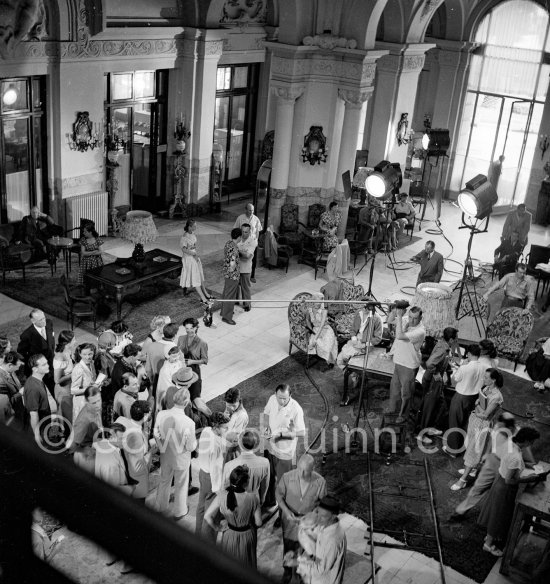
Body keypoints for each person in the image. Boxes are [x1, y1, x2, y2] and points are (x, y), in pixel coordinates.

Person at [478, 426, 542, 556]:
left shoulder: (510, 445)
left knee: (496, 512)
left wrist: (525, 465)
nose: (532, 444)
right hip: (505, 488)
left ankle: (489, 536)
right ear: (526, 440)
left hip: (499, 482)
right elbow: (509, 480)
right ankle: (488, 544)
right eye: (532, 441)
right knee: (499, 515)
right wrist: (528, 478)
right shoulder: (516, 457)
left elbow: (509, 463)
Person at [450, 412, 517, 521]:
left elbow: (525, 458)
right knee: (478, 488)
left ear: (510, 427)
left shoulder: (517, 437)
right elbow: (492, 439)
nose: (498, 428)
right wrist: (487, 453)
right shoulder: (498, 426)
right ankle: (461, 511)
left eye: (502, 427)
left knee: (499, 496)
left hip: (506, 467)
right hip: (492, 462)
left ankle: (493, 523)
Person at [276, 454, 327, 584]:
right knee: (288, 547)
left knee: (305, 550)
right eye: (300, 469)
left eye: (306, 470)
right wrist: (286, 511)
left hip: (308, 524)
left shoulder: (320, 482)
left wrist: (311, 516)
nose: (302, 473)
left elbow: (323, 504)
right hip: (289, 520)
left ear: (313, 469)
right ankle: (287, 572)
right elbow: (279, 495)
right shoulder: (287, 477)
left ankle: (302, 574)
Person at [451, 368, 504, 491]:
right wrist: (478, 406)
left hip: (482, 425)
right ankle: (473, 470)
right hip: (475, 421)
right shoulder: (487, 388)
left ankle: (462, 480)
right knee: (471, 446)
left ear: (494, 380)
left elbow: (485, 415)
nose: (483, 379)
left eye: (486, 378)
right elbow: (479, 403)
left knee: (473, 451)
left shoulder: (496, 396)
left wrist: (477, 407)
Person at [204, 465, 262, 568]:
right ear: (245, 483)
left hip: (229, 535)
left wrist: (217, 527)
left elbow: (207, 516)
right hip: (247, 536)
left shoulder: (221, 496)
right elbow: (259, 523)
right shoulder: (253, 498)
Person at [154, 387, 197, 520]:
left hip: (165, 455)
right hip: (181, 458)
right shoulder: (189, 422)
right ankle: (180, 511)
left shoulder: (161, 414)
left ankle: (160, 506)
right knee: (181, 484)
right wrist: (196, 444)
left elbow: (156, 434)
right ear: (186, 403)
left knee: (164, 480)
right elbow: (190, 447)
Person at [262, 384, 306, 509]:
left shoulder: (296, 409)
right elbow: (266, 413)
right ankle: (269, 501)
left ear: (290, 396)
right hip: (270, 447)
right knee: (268, 478)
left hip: (284, 453)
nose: (281, 401)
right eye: (279, 398)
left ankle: (283, 513)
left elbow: (302, 432)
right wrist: (266, 426)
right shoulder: (272, 399)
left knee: (284, 484)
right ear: (275, 394)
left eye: (284, 399)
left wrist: (281, 435)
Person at [290, 495, 347, 584]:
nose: (318, 519)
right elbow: (317, 539)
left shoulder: (333, 541)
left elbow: (321, 570)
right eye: (318, 513)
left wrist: (297, 563)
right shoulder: (327, 524)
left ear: (333, 516)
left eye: (323, 516)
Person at [417, 326, 460, 443]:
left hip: (437, 382)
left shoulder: (444, 345)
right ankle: (421, 434)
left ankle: (430, 428)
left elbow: (441, 360)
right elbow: (430, 363)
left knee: (441, 405)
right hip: (432, 381)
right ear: (451, 340)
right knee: (428, 407)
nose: (457, 340)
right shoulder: (443, 349)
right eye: (456, 338)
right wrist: (436, 373)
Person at [386, 306, 426, 423]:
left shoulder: (420, 331)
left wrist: (399, 317)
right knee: (395, 388)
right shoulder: (406, 320)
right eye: (410, 317)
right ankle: (393, 409)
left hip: (409, 365)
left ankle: (403, 415)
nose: (411, 320)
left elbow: (400, 336)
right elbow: (389, 320)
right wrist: (395, 310)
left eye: (415, 318)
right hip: (399, 361)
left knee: (406, 393)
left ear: (420, 318)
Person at [445, 344, 487, 454]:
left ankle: (453, 449)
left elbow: (455, 379)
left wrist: (458, 368)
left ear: (468, 354)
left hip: (461, 397)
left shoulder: (465, 367)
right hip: (474, 398)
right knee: (466, 422)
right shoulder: (484, 368)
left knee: (454, 422)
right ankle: (463, 445)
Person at [195, 411, 230, 542]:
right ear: (216, 426)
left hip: (202, 473)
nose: (227, 430)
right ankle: (207, 544)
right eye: (225, 427)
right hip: (211, 480)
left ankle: (197, 536)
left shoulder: (206, 431)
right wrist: (219, 490)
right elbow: (216, 468)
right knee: (211, 513)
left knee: (201, 507)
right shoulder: (217, 444)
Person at [116, 400, 153, 504]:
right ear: (145, 416)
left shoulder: (122, 421)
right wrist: (151, 451)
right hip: (137, 480)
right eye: (149, 413)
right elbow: (138, 467)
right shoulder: (136, 438)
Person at [222, 430, 270, 505]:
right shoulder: (265, 462)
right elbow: (265, 485)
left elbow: (224, 488)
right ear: (255, 445)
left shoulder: (229, 465)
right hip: (255, 501)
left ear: (240, 445)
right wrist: (262, 500)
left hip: (235, 503)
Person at [336, 300, 384, 372]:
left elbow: (378, 338)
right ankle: (349, 372)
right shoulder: (358, 313)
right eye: (361, 307)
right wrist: (354, 338)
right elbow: (353, 329)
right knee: (339, 360)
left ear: (370, 308)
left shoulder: (377, 319)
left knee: (344, 357)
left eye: (364, 308)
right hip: (356, 341)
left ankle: (353, 374)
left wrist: (365, 344)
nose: (362, 310)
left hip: (366, 344)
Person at [17, 308, 55, 390]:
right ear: (33, 321)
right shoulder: (27, 335)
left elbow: (51, 340)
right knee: (42, 392)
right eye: (40, 320)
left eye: (44, 317)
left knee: (56, 390)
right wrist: (34, 363)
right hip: (41, 368)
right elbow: (21, 353)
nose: (44, 321)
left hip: (53, 364)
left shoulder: (49, 323)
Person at [71, 385, 102, 473]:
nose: (97, 404)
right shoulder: (84, 419)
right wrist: (87, 451)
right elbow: (72, 445)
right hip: (86, 457)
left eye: (99, 400)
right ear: (86, 402)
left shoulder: (94, 410)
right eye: (94, 403)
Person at [179, 219, 211, 304]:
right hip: (189, 259)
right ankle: (203, 298)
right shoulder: (184, 237)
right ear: (189, 227)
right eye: (194, 226)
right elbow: (183, 249)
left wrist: (195, 253)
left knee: (200, 275)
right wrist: (194, 255)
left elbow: (193, 245)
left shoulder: (192, 234)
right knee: (196, 277)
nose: (196, 227)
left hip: (194, 256)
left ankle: (206, 293)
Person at [23, 354, 52, 444]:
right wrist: (37, 435)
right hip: (39, 428)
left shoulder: (38, 380)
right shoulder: (33, 387)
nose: (48, 366)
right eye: (43, 365)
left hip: (44, 426)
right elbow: (33, 414)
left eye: (47, 363)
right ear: (35, 369)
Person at [177, 317, 208, 400]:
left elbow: (205, 360)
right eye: (187, 328)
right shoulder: (181, 338)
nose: (189, 330)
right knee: (182, 397)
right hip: (182, 369)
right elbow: (177, 352)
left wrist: (192, 362)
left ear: (196, 327)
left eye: (192, 328)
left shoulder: (202, 343)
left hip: (194, 371)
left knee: (195, 397)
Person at [306, 293, 338, 369]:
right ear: (313, 301)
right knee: (318, 343)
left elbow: (321, 325)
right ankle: (326, 357)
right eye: (317, 302)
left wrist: (315, 337)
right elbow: (307, 320)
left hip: (326, 329)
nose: (319, 304)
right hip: (315, 330)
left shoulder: (324, 310)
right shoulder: (310, 309)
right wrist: (312, 331)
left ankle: (331, 360)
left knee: (327, 346)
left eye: (320, 302)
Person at [233, 203, 262, 283]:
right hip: (242, 242)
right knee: (240, 258)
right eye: (249, 210)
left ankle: (252, 276)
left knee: (252, 260)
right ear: (246, 210)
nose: (251, 212)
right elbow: (235, 230)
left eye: (252, 210)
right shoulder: (240, 218)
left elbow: (257, 231)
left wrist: (256, 240)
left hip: (252, 243)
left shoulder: (256, 219)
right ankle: (238, 276)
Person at [53, 330, 76, 426]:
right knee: (67, 417)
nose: (75, 341)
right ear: (67, 343)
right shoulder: (60, 357)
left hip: (70, 386)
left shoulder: (68, 350)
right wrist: (74, 373)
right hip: (63, 391)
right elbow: (57, 380)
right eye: (74, 340)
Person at [71, 343, 97, 422]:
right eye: (84, 354)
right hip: (82, 403)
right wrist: (90, 388)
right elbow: (73, 390)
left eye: (90, 354)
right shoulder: (78, 368)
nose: (88, 357)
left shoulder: (91, 363)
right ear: (80, 354)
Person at [221, 227, 242, 326]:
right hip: (232, 276)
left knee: (226, 293)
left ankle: (223, 311)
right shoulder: (234, 248)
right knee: (230, 296)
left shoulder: (228, 243)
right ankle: (227, 317)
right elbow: (232, 263)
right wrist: (233, 273)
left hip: (226, 274)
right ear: (239, 237)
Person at [223, 387, 249, 461]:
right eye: (228, 405)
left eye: (233, 405)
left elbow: (234, 437)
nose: (231, 408)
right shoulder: (230, 405)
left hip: (233, 448)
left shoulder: (242, 416)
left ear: (239, 400)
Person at [237, 224, 257, 313]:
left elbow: (247, 256)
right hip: (236, 268)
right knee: (236, 286)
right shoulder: (238, 239)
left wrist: (237, 251)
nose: (243, 234)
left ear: (250, 232)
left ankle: (247, 304)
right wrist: (243, 252)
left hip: (245, 268)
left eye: (246, 232)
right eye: (242, 231)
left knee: (245, 287)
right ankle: (236, 301)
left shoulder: (253, 242)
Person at [78, 221, 103, 286]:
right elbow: (83, 253)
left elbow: (100, 252)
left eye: (85, 232)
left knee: (96, 276)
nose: (83, 233)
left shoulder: (97, 239)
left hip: (96, 262)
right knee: (86, 277)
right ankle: (86, 287)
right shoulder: (83, 240)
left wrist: (89, 253)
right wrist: (94, 252)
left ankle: (95, 286)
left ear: (90, 232)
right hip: (86, 262)